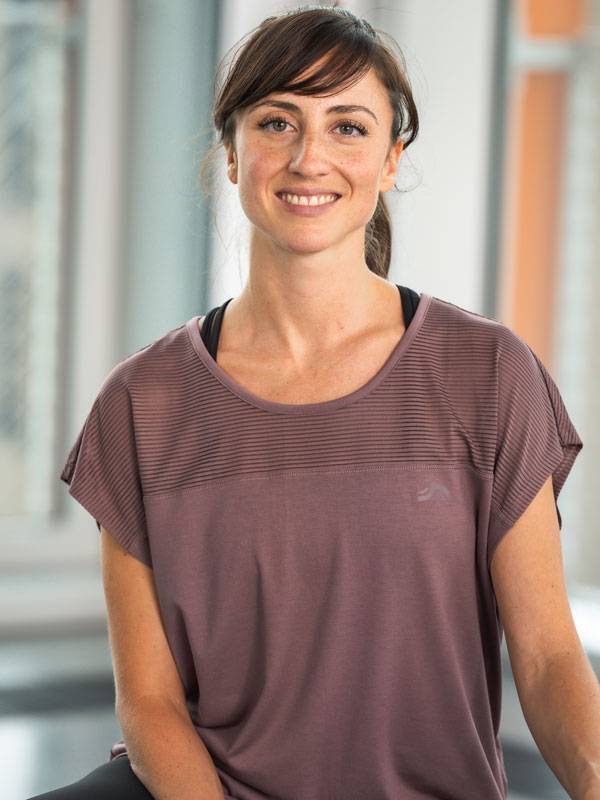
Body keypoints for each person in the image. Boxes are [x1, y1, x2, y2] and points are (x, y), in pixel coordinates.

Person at [30, 5, 584, 800]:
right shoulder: (141, 402)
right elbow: (149, 704)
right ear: (232, 152)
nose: (309, 157)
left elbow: (548, 658)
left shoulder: (488, 373)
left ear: (392, 160)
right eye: (278, 121)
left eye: (348, 127)